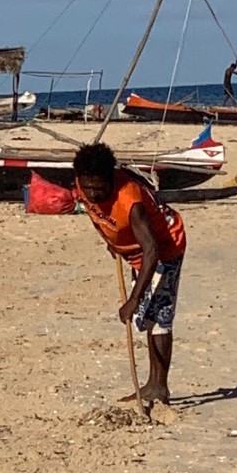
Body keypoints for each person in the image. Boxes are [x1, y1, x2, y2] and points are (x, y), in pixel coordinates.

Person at [73, 141, 186, 406]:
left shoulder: (131, 199)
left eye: (99, 188)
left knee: (159, 317)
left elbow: (153, 250)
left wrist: (133, 299)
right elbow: (97, 214)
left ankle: (160, 387)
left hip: (165, 249)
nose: (92, 194)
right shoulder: (83, 184)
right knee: (147, 318)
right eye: (87, 188)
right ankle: (152, 383)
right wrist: (111, 241)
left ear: (111, 179)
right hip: (136, 253)